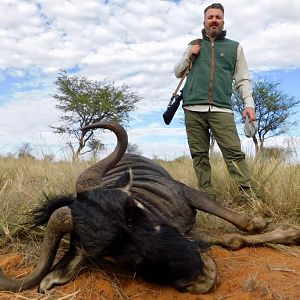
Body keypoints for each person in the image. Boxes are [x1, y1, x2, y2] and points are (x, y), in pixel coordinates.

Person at [174, 3, 259, 201]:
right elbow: (178, 71)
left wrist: (249, 104)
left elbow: (243, 79)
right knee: (199, 155)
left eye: (218, 17)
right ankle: (207, 199)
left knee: (234, 154)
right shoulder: (193, 44)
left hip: (222, 110)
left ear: (223, 21)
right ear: (204, 21)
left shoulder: (234, 47)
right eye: (210, 17)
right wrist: (189, 55)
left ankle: (251, 198)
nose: (214, 20)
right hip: (192, 108)